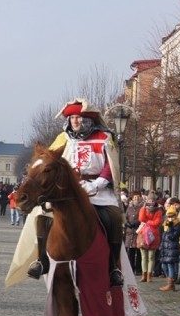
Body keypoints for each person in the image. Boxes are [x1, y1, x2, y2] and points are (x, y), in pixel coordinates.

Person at [27, 99, 124, 286]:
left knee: (113, 218)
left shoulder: (103, 137)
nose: (75, 121)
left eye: (78, 117)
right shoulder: (63, 138)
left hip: (98, 189)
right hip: (68, 189)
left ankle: (113, 268)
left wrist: (97, 184)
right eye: (72, 118)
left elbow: (110, 164)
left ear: (87, 119)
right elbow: (49, 160)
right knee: (43, 216)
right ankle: (41, 260)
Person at [137, 198, 162, 282]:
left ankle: (149, 275)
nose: (150, 203)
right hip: (143, 236)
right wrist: (143, 208)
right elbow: (141, 219)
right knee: (144, 257)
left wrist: (147, 222)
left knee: (151, 257)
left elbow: (157, 223)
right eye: (149, 202)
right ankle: (144, 275)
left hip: (153, 236)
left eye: (152, 201)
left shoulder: (158, 211)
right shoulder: (143, 209)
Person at [159, 206, 180, 292]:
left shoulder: (178, 224)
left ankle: (171, 284)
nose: (170, 218)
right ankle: (170, 282)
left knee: (170, 265)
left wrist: (171, 226)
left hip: (172, 248)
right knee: (164, 265)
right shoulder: (165, 224)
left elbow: (172, 236)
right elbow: (164, 236)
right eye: (168, 216)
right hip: (165, 248)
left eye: (172, 216)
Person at [124, 191, 144, 275]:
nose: (136, 198)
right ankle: (131, 268)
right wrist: (127, 223)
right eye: (135, 197)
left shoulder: (142, 207)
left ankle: (138, 269)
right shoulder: (129, 207)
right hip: (129, 232)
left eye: (138, 197)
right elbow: (125, 217)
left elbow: (142, 217)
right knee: (130, 252)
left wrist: (136, 222)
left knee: (138, 252)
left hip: (138, 232)